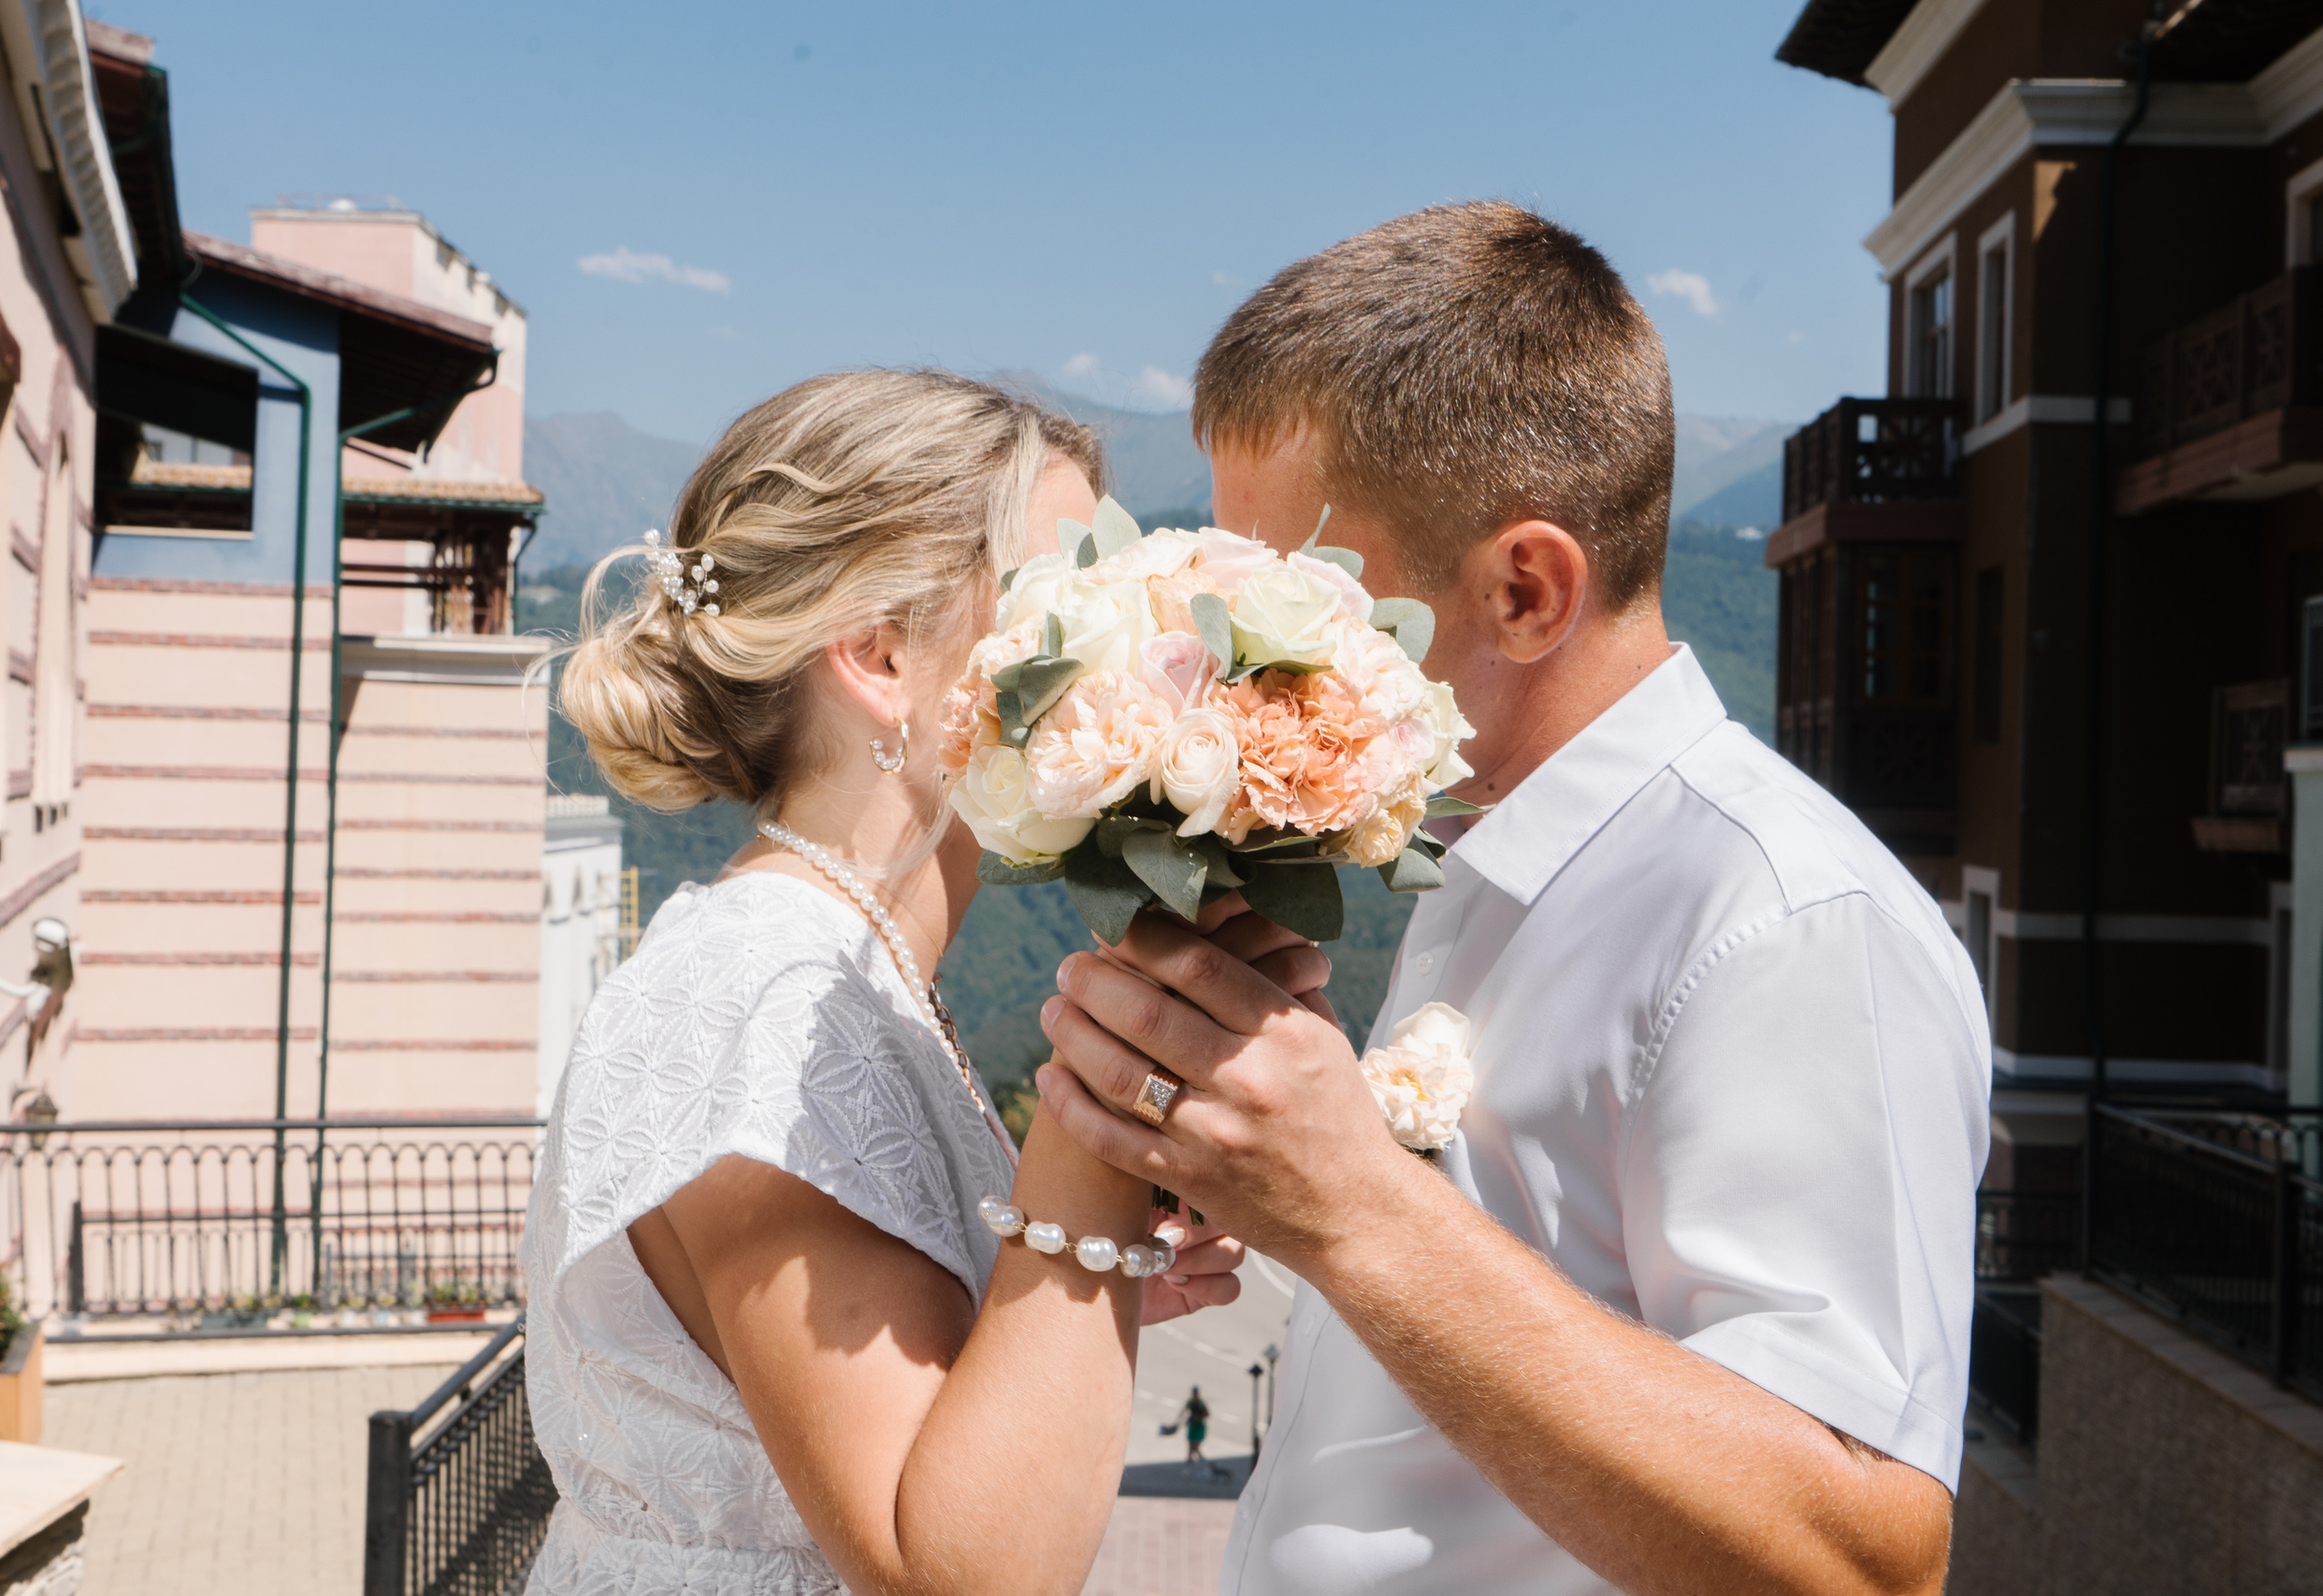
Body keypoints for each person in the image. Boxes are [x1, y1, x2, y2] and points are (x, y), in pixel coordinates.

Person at [1034, 203, 1991, 1596]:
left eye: (1289, 606)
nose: (1227, 668)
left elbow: (1858, 1554)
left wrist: (1355, 1208)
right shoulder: (1479, 852)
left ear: (1528, 590)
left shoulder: (1785, 918)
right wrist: (1280, 1182)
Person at [517, 370, 1269, 1596]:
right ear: (879, 654)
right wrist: (1113, 1100)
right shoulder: (773, 1006)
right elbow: (962, 1573)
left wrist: (1052, 1294)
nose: (1146, 644)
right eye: (1069, 592)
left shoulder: (830, 969)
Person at [1171, 1384, 1221, 1477]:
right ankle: (1194, 1464)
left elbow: (1207, 1414)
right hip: (1192, 1426)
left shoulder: (1201, 1403)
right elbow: (1183, 1411)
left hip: (1199, 1426)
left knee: (1195, 1447)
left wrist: (1197, 1416)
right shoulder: (1190, 1402)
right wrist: (1176, 1422)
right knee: (1191, 1446)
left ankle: (1200, 1464)